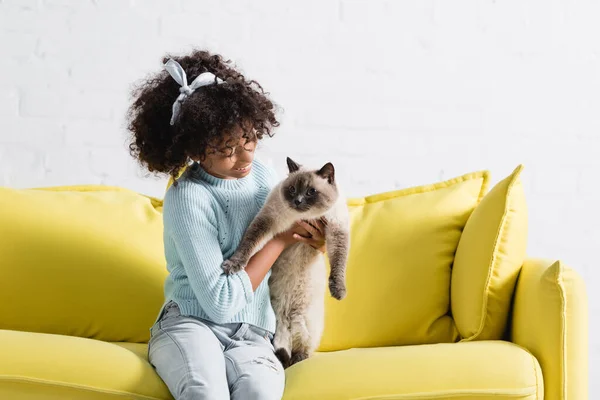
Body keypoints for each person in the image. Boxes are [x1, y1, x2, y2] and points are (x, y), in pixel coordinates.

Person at [127, 49, 326, 400]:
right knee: (206, 392)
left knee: (259, 393)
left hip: (253, 332)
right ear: (194, 150)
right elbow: (220, 302)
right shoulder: (189, 196)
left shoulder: (263, 175)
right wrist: (278, 239)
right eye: (226, 149)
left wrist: (315, 238)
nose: (245, 157)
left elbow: (297, 245)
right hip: (190, 324)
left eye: (248, 137)